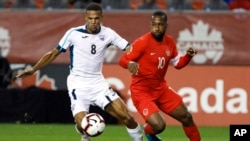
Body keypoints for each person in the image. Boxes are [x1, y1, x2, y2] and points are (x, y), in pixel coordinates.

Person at [16, 3, 143, 141]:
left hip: (98, 84)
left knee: (128, 117)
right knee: (84, 126)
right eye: (90, 18)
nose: (93, 21)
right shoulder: (73, 33)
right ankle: (83, 133)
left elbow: (129, 48)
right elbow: (53, 54)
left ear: (101, 18)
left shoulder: (108, 33)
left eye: (96, 18)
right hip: (78, 85)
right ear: (85, 18)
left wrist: (133, 60)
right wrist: (34, 69)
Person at [119, 11, 201, 141]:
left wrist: (188, 56)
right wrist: (129, 64)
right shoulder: (142, 42)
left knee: (187, 117)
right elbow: (122, 60)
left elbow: (178, 64)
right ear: (150, 25)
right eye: (154, 24)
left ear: (166, 25)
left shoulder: (170, 42)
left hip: (161, 88)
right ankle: (148, 131)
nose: (156, 27)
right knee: (159, 125)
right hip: (141, 92)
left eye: (160, 24)